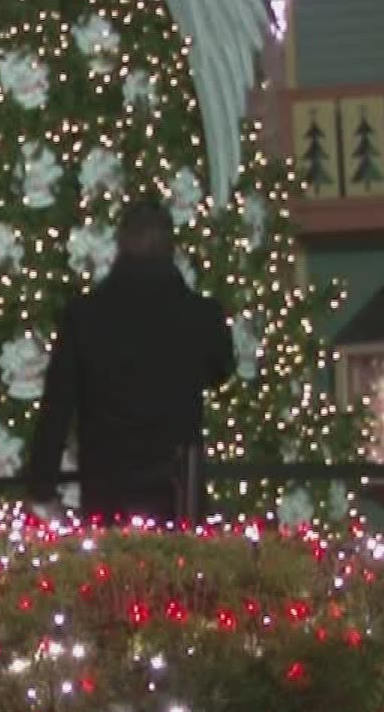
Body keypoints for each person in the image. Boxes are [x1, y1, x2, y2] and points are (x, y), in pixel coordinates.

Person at [25, 200, 234, 525]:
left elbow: (58, 406)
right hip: (177, 489)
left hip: (106, 487)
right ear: (171, 247)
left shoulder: (85, 316)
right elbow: (221, 371)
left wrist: (42, 484)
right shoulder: (201, 315)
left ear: (120, 245)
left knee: (110, 573)